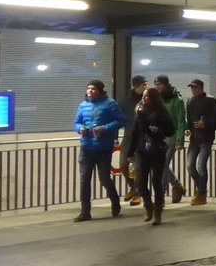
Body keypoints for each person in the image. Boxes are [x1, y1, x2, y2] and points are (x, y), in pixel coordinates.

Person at [72, 80, 125, 222]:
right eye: (88, 88)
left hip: (103, 148)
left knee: (104, 179)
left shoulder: (110, 103)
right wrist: (80, 129)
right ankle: (85, 211)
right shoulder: (83, 105)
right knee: (84, 180)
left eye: (93, 89)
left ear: (100, 90)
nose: (90, 91)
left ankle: (115, 202)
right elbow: (76, 122)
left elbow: (121, 120)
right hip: (86, 147)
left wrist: (105, 128)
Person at [131, 87, 175, 225]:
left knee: (156, 181)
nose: (144, 99)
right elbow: (135, 132)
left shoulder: (161, 111)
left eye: (147, 96)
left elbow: (170, 130)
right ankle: (148, 206)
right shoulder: (139, 112)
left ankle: (158, 211)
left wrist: (158, 130)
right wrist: (130, 153)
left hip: (157, 148)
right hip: (142, 149)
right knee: (141, 182)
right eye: (143, 96)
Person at [154, 75, 187, 203]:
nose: (158, 87)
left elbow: (180, 121)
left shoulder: (177, 100)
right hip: (160, 136)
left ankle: (160, 195)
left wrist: (179, 141)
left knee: (162, 164)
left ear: (166, 84)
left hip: (171, 136)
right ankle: (176, 185)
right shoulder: (157, 99)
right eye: (156, 85)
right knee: (161, 165)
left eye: (160, 85)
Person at [184, 79, 216, 206]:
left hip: (206, 138)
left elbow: (215, 118)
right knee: (189, 165)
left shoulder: (210, 100)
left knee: (201, 166)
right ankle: (200, 190)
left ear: (201, 88)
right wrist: (188, 129)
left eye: (195, 88)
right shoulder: (190, 101)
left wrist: (206, 124)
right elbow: (190, 118)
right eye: (192, 88)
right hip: (194, 138)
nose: (193, 90)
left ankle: (201, 192)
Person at [118, 75, 147, 205]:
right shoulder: (125, 100)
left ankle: (138, 193)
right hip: (129, 136)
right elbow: (119, 116)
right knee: (123, 165)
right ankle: (133, 187)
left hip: (143, 137)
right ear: (136, 86)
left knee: (139, 166)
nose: (146, 87)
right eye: (143, 85)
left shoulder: (148, 99)